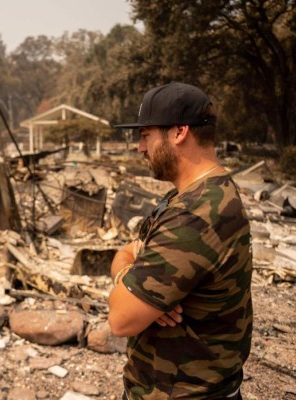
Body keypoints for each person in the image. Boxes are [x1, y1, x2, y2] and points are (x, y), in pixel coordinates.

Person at [108, 82, 252, 400]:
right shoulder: (199, 194)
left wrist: (133, 289)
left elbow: (120, 319)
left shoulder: (194, 215)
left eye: (146, 135)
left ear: (179, 132)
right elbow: (124, 252)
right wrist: (131, 279)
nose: (140, 148)